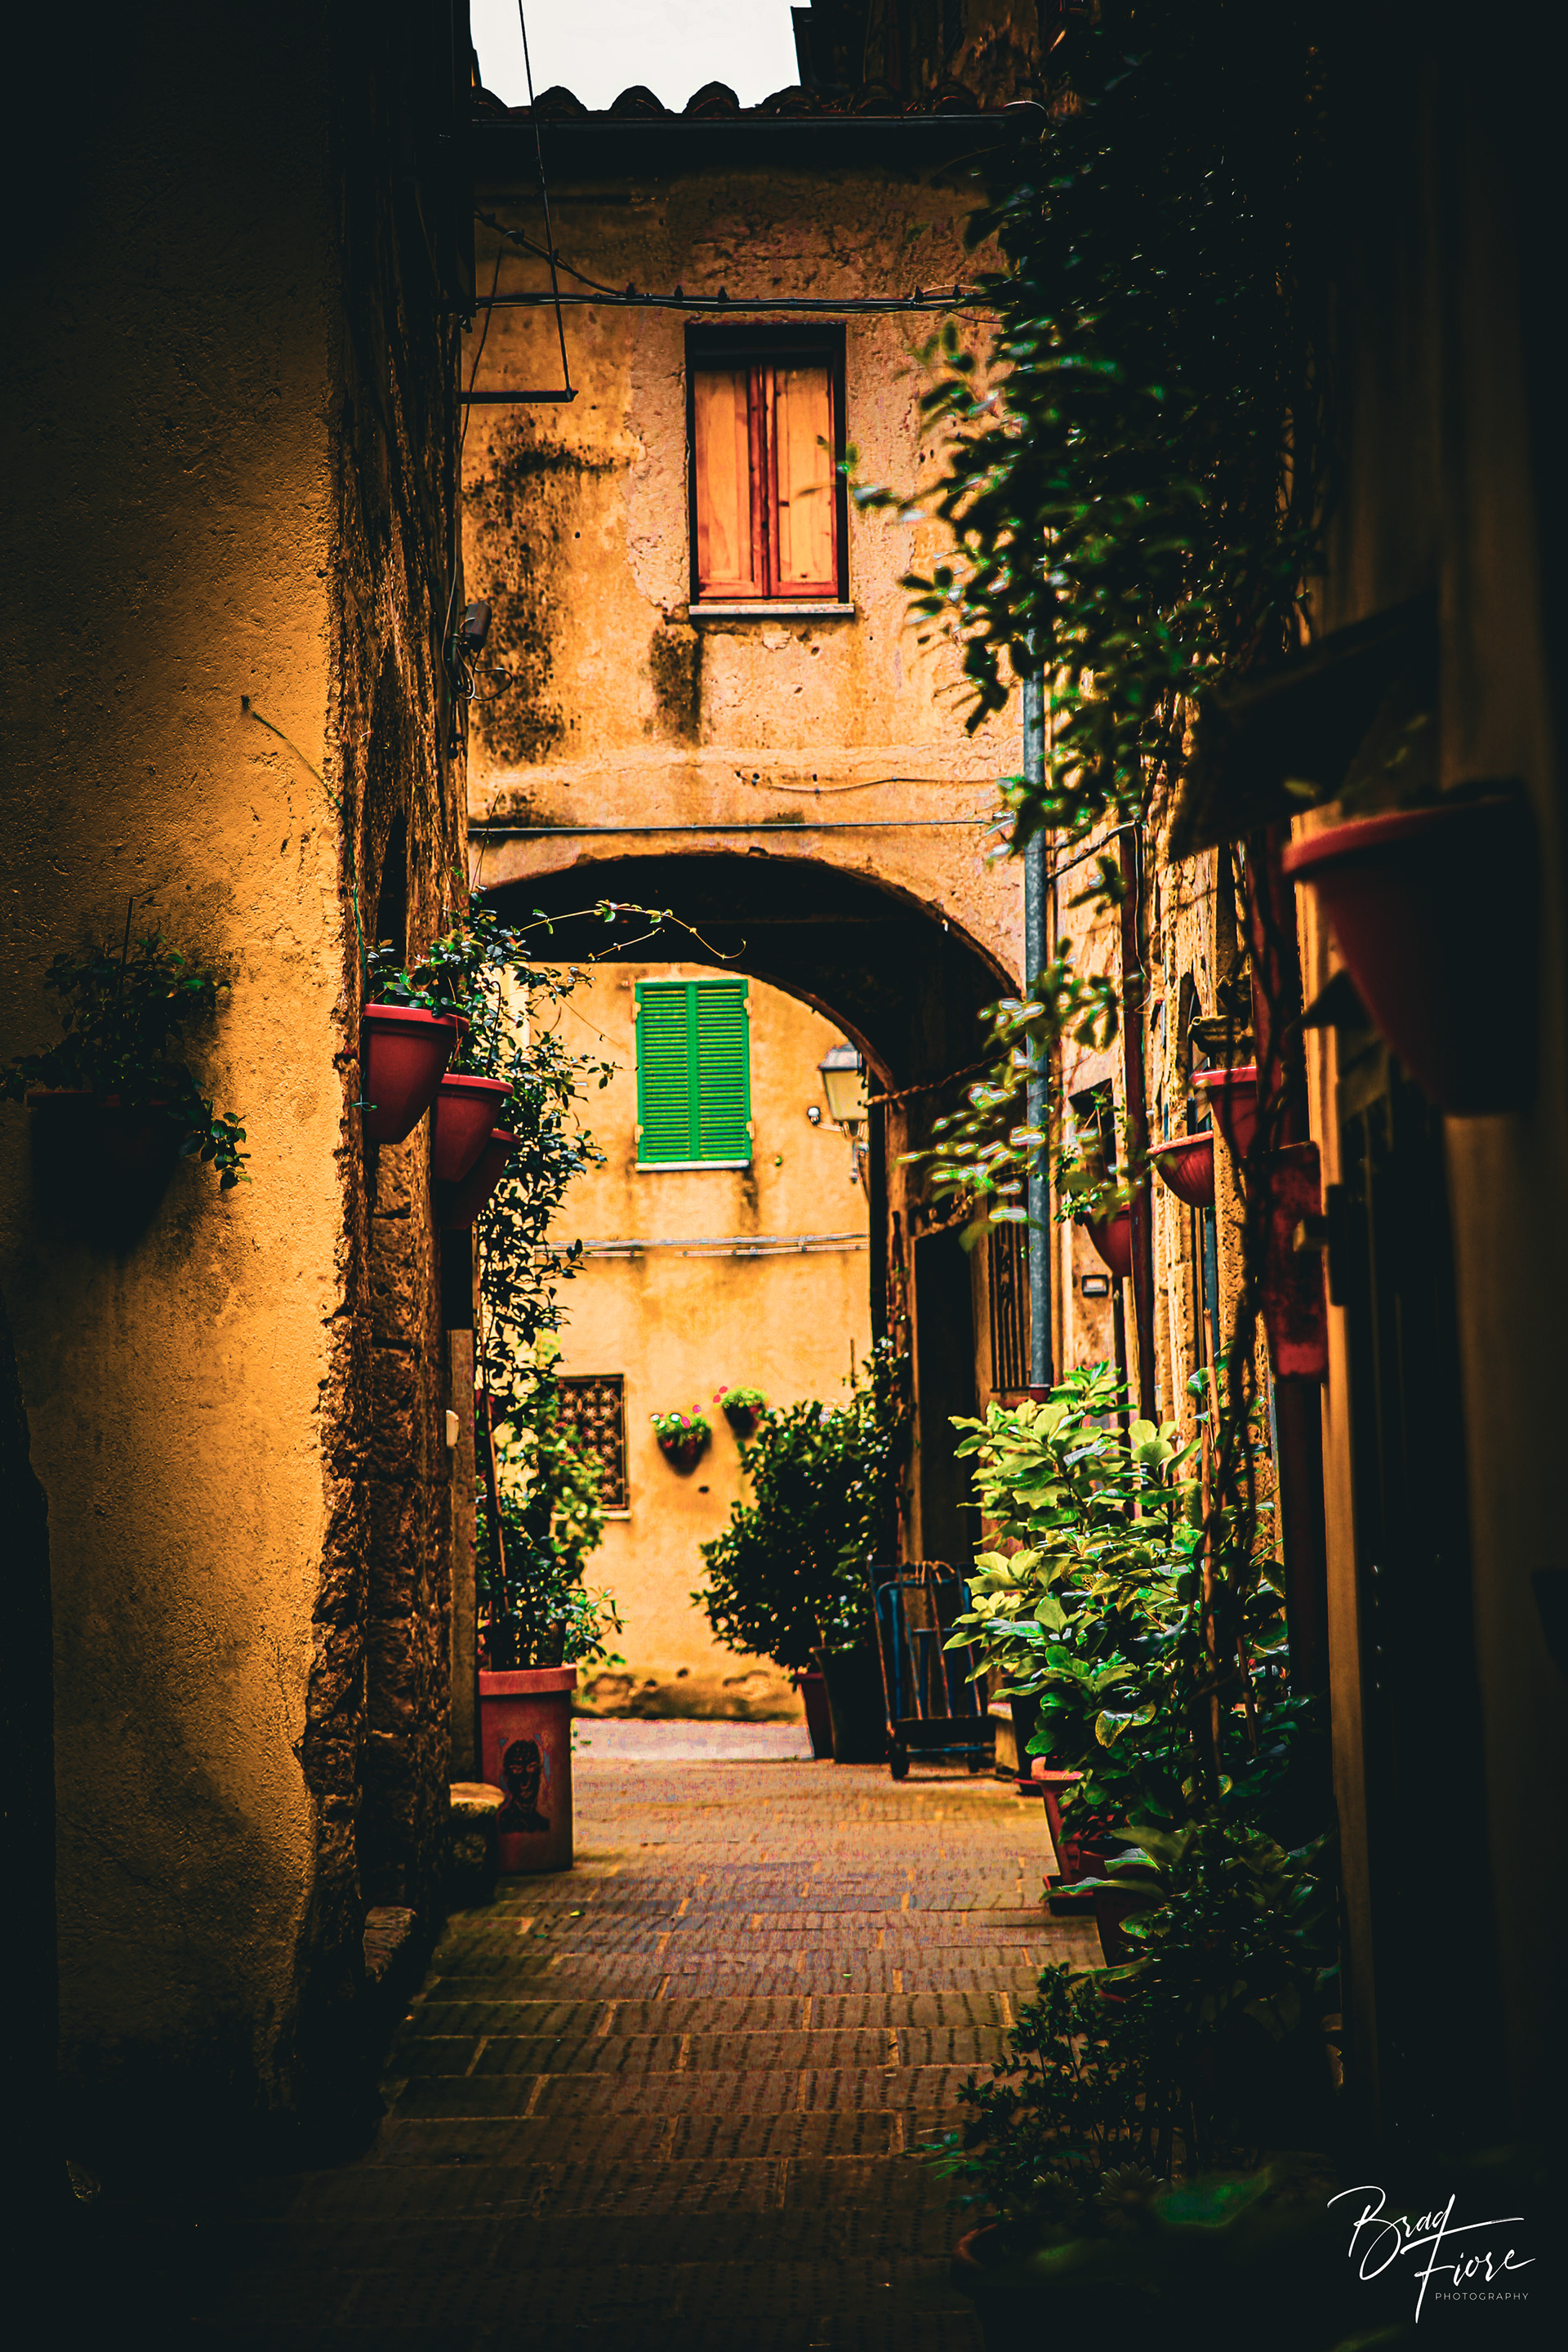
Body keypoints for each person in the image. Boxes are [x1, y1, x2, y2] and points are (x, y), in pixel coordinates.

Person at [497, 1735, 549, 1833]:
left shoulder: (543, 1824)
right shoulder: (503, 1823)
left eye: (531, 1768)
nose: (525, 1782)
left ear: (540, 1771)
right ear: (507, 1775)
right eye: (517, 1770)